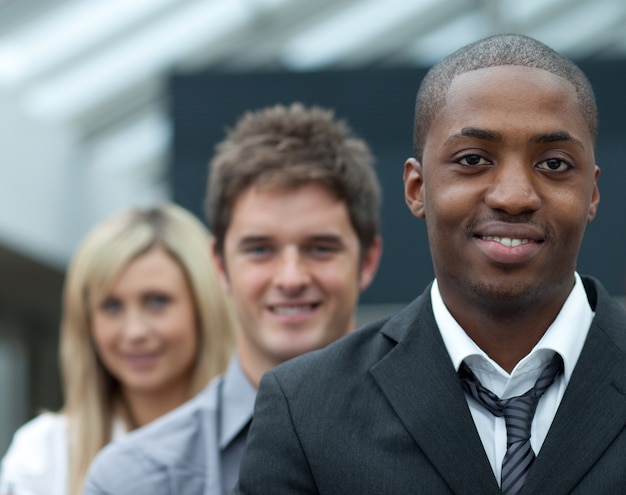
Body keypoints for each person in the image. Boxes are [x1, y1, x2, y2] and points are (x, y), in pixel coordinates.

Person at [234, 34, 626, 494]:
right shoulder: (305, 409)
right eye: (473, 159)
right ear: (417, 188)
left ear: (592, 194)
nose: (515, 196)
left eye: (554, 164)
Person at [83, 102, 383, 495]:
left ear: (367, 260)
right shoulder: (134, 480)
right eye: (260, 249)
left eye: (320, 248)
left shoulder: (447, 436)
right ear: (219, 264)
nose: (290, 278)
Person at [0, 202, 235, 495]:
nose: (134, 331)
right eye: (111, 306)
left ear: (204, 308)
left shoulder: (259, 442)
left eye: (157, 301)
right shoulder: (44, 455)